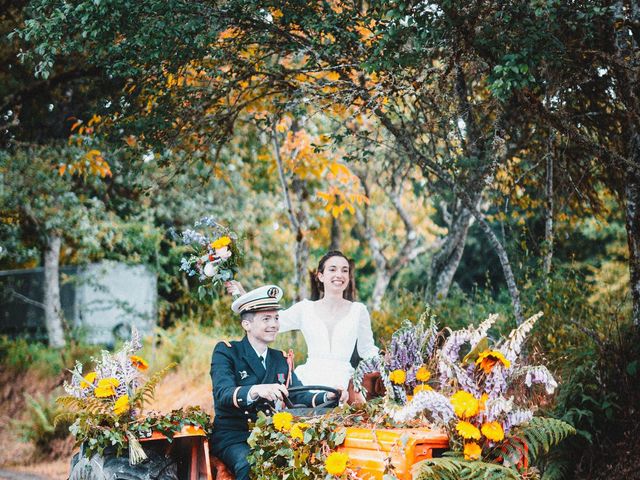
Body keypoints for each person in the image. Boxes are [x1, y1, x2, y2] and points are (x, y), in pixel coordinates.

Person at [210, 285, 340, 480]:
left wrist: (328, 396)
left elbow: (297, 395)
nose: (274, 324)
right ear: (247, 324)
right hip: (234, 437)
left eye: (276, 318)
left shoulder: (279, 358)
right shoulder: (227, 352)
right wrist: (256, 390)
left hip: (269, 435)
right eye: (266, 318)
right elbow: (223, 394)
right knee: (250, 463)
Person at [226, 250, 379, 392]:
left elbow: (367, 350)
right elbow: (269, 321)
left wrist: (390, 367)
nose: (339, 274)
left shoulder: (359, 311)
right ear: (320, 276)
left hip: (344, 381)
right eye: (332, 269)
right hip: (310, 379)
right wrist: (243, 296)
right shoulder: (305, 309)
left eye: (344, 270)